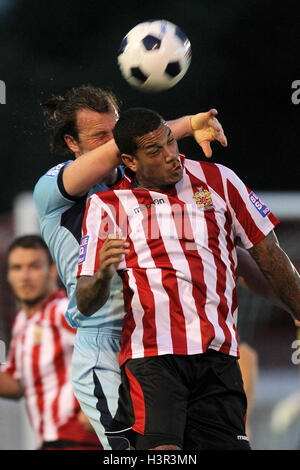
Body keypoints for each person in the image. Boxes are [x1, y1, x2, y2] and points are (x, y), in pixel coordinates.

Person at [76, 107, 300, 450]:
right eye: (155, 151)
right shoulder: (107, 206)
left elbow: (269, 256)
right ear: (129, 161)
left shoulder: (220, 180)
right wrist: (104, 274)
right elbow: (85, 302)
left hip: (219, 357)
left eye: (170, 142)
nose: (171, 156)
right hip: (153, 358)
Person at [33, 84, 228, 450]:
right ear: (73, 144)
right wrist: (186, 124)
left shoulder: (139, 186)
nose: (115, 141)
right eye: (101, 136)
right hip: (105, 345)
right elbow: (117, 151)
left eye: (117, 127)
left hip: (159, 341)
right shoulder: (52, 189)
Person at [0, 235, 101, 450]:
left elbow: (108, 342)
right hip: (51, 440)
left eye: (34, 266)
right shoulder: (22, 322)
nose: (25, 276)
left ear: (53, 269)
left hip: (78, 439)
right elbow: (15, 384)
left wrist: (97, 402)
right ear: (8, 275)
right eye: (17, 268)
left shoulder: (62, 310)